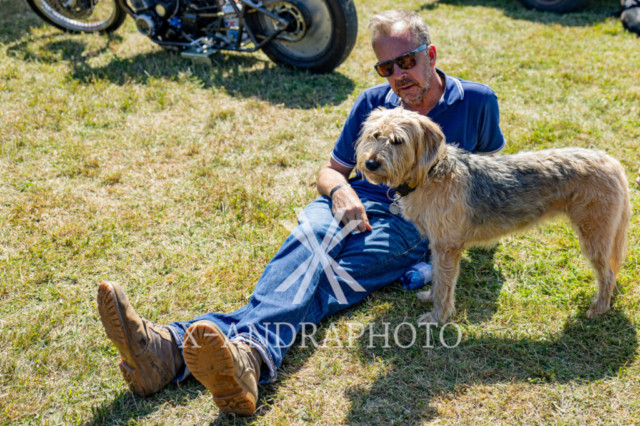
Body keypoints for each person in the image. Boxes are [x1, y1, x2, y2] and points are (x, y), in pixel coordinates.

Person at [96, 9, 506, 417]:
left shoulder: (477, 101)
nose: (398, 75)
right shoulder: (372, 103)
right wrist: (341, 192)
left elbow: (487, 183)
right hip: (349, 201)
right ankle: (239, 357)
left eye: (407, 61)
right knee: (306, 250)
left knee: (326, 279)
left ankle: (170, 349)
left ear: (430, 55)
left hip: (409, 224)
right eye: (386, 67)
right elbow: (331, 171)